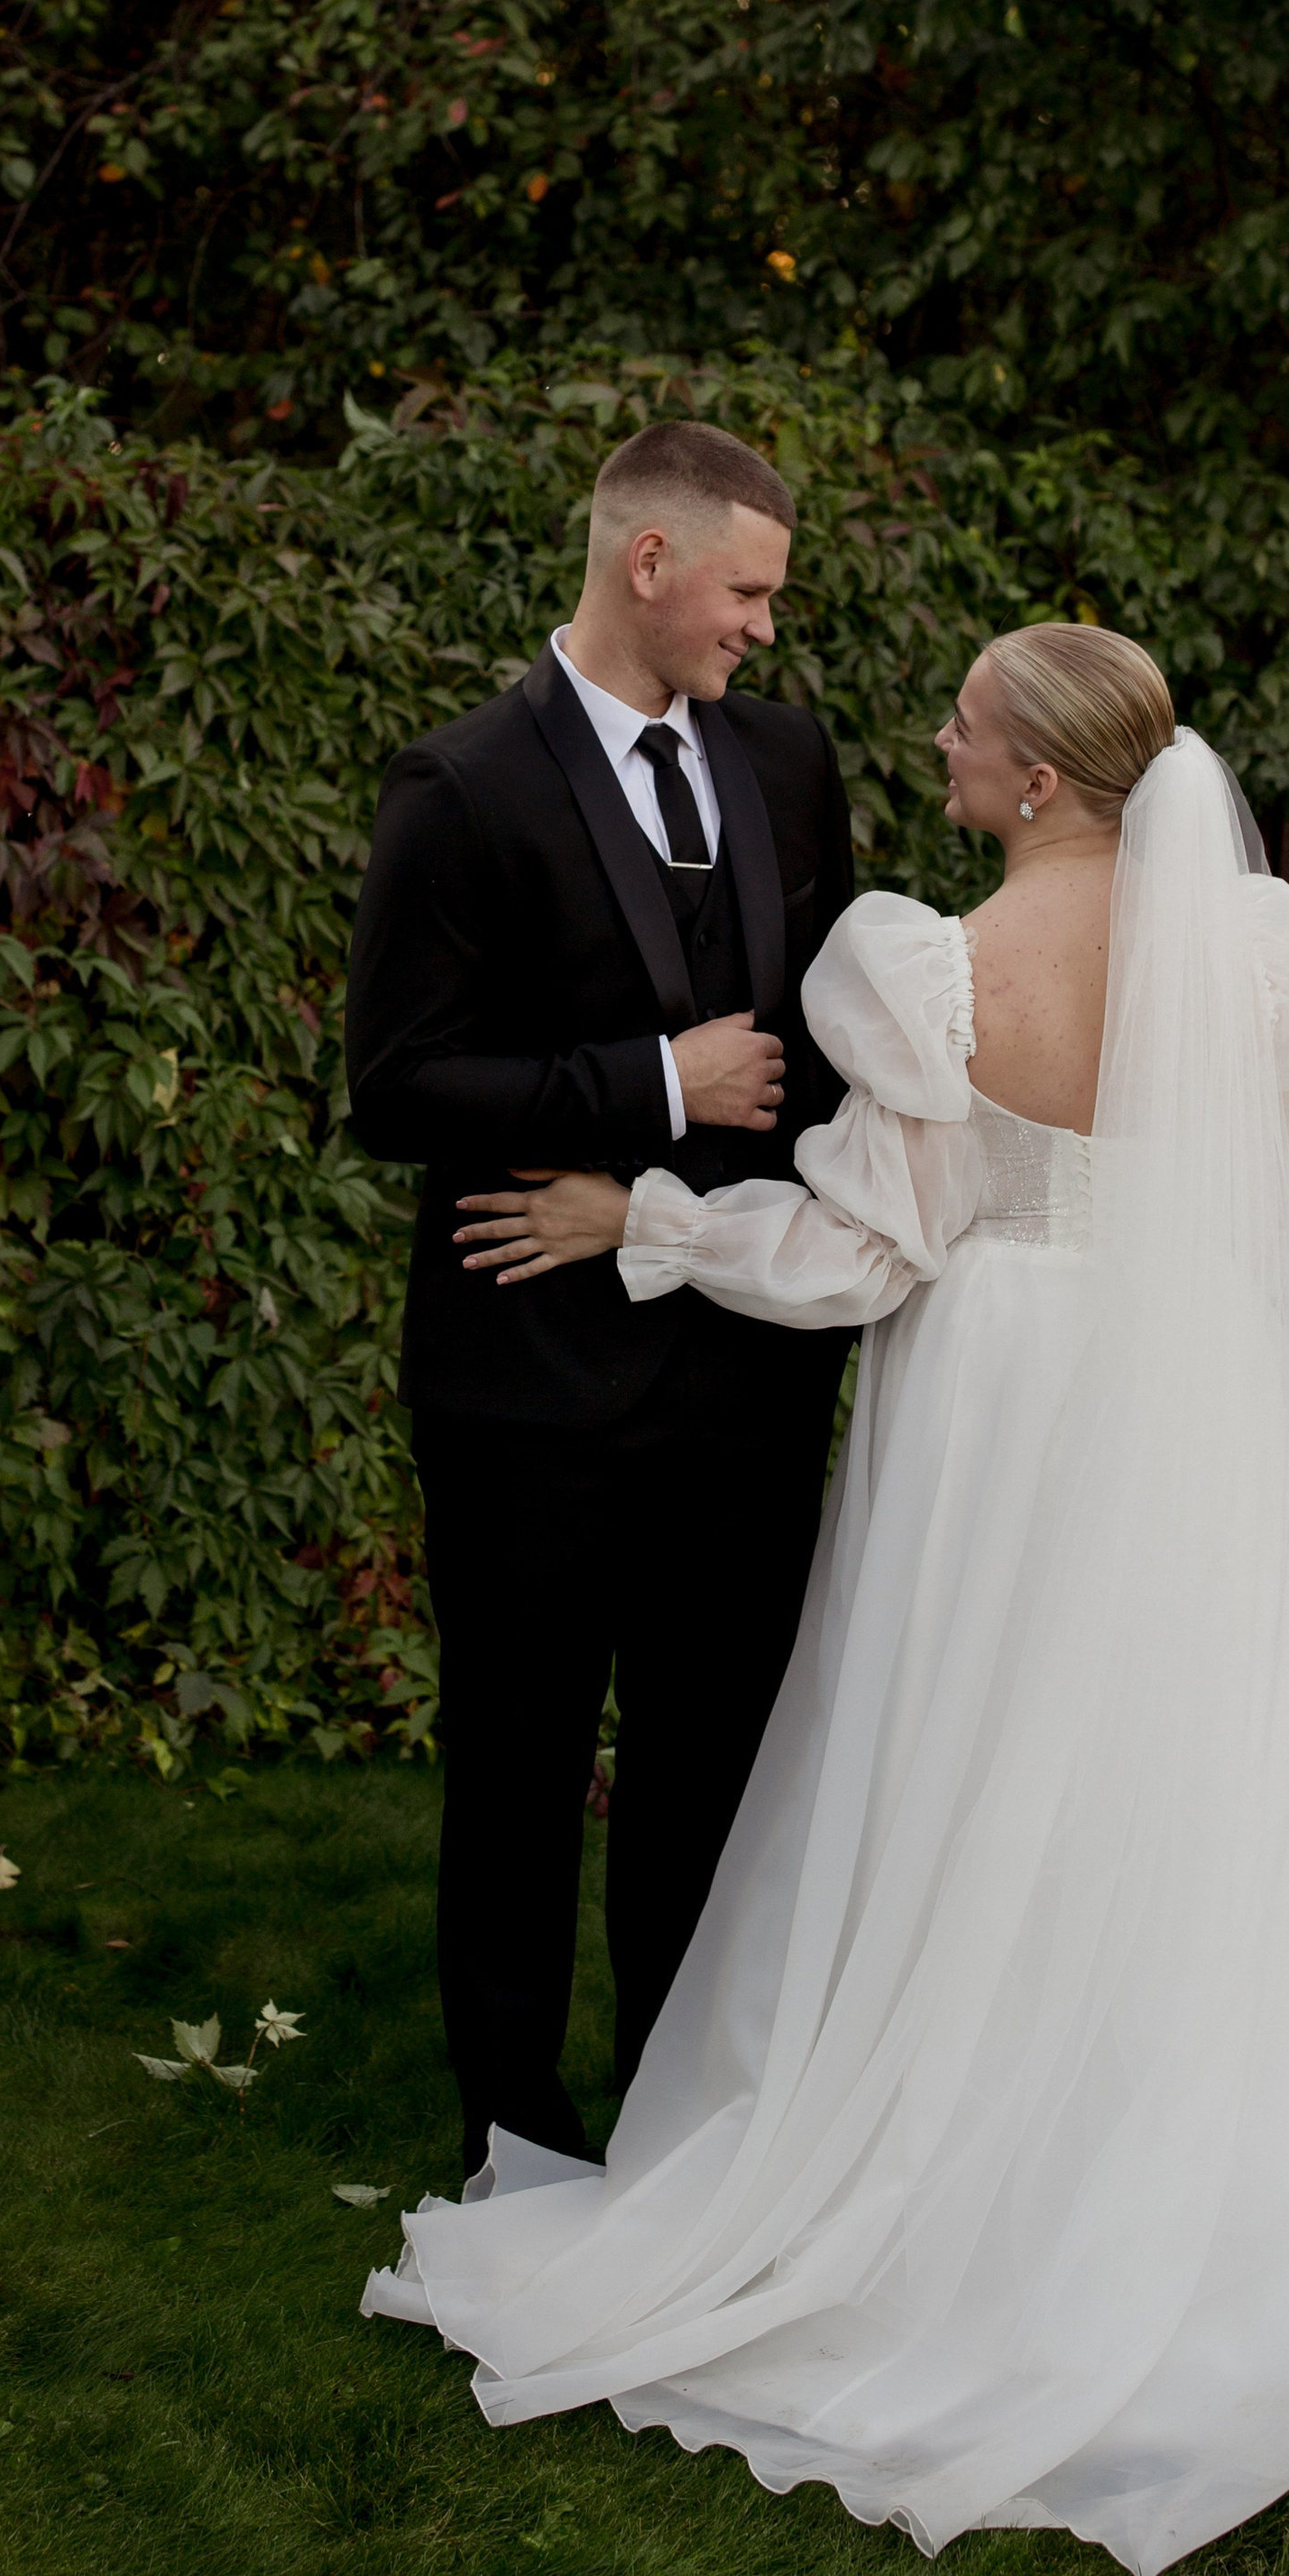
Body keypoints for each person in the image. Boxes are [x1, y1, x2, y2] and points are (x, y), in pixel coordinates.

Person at [364, 624, 1289, 2576]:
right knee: (1195, 1784)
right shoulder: (1258, 969)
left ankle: (953, 2202)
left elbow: (868, 1248)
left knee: (971, 1766)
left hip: (1006, 1416)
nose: (928, 739)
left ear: (1034, 779)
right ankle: (1228, 2207)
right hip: (1198, 1411)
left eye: (959, 721)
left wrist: (648, 1218)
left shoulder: (931, 972)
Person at [345, 419, 855, 2176]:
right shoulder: (462, 785)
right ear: (649, 564)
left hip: (750, 1378)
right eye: (745, 591)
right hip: (528, 1384)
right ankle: (513, 2135)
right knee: (515, 1768)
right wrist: (648, 1086)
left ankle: (681, 2115)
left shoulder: (788, 766)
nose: (761, 631)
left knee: (710, 1771)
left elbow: (832, 1061)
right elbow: (397, 1086)